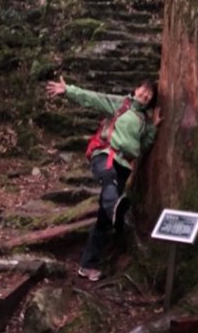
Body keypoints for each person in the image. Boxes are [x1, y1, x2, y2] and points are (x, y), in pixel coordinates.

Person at [46, 74, 162, 282]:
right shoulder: (121, 105)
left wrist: (153, 127)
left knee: (104, 219)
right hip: (106, 155)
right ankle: (116, 209)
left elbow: (143, 147)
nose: (145, 94)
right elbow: (94, 98)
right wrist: (69, 90)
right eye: (142, 90)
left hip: (125, 165)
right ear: (136, 90)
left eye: (149, 94)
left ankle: (87, 265)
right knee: (109, 180)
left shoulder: (144, 121)